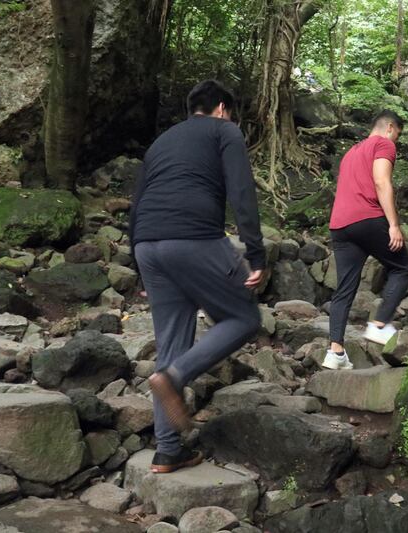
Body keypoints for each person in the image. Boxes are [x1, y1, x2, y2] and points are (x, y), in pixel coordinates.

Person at [130, 80, 265, 473]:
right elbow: (242, 192)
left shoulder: (161, 142)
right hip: (194, 238)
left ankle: (168, 449)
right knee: (244, 317)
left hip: (148, 244)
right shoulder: (225, 130)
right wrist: (256, 254)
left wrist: (138, 260)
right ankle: (175, 378)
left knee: (171, 339)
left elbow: (138, 201)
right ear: (222, 108)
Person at [326, 110, 408, 370]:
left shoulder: (351, 152)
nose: (396, 141)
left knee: (344, 289)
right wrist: (394, 225)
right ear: (389, 127)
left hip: (340, 225)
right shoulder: (383, 144)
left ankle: (335, 352)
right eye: (397, 134)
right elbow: (381, 181)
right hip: (366, 218)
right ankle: (379, 324)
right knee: (402, 268)